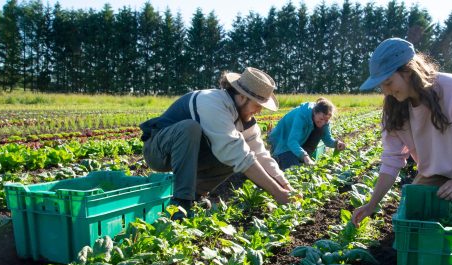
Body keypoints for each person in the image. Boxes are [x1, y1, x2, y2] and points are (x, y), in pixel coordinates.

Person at [352, 38, 452, 226]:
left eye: (388, 82)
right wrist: (371, 204)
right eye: (381, 85)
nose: (385, 91)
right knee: (416, 221)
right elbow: (392, 159)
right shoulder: (394, 109)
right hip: (437, 170)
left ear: (408, 71)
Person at [140, 67, 293, 220]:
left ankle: (194, 196)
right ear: (242, 97)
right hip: (158, 150)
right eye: (258, 105)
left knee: (234, 153)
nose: (259, 111)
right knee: (191, 129)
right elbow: (239, 154)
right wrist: (277, 194)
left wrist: (284, 185)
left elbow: (260, 154)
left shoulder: (246, 119)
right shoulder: (212, 102)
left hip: (189, 154)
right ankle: (181, 203)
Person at [268, 98, 346, 170]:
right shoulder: (302, 115)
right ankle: (277, 157)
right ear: (315, 112)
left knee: (320, 130)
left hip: (297, 141)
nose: (323, 122)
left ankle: (300, 158)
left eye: (326, 120)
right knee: (293, 171)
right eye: (321, 119)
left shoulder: (324, 121)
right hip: (282, 142)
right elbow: (292, 141)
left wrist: (336, 143)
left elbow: (327, 139)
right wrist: (305, 156)